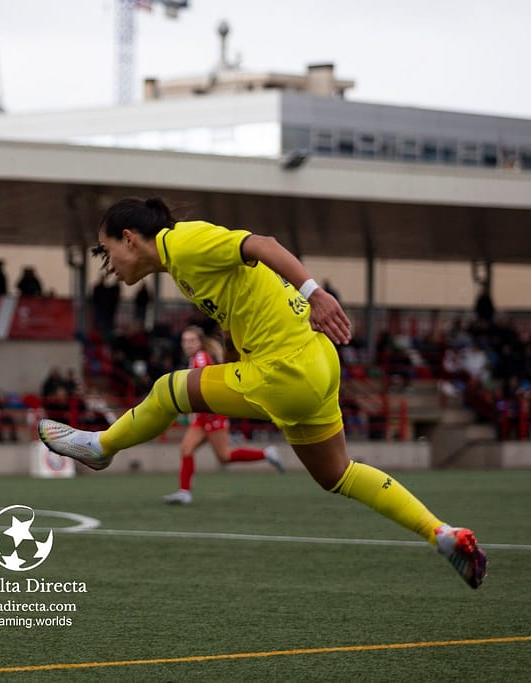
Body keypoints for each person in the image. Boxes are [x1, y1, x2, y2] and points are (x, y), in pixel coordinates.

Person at [39, 196, 487, 589]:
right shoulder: (181, 267)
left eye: (106, 250)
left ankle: (100, 447)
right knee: (337, 474)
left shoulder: (183, 241)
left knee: (169, 389)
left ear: (130, 237)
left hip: (285, 369)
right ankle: (442, 534)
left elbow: (263, 245)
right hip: (315, 362)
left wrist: (317, 294)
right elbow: (238, 302)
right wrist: (236, 347)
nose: (108, 265)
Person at [162, 326, 284, 505]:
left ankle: (267, 453)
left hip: (211, 415)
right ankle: (184, 492)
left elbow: (204, 389)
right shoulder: (196, 358)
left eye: (191, 341)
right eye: (185, 341)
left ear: (200, 342)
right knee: (186, 449)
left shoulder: (201, 358)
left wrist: (187, 410)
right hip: (203, 417)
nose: (187, 344)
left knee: (224, 456)